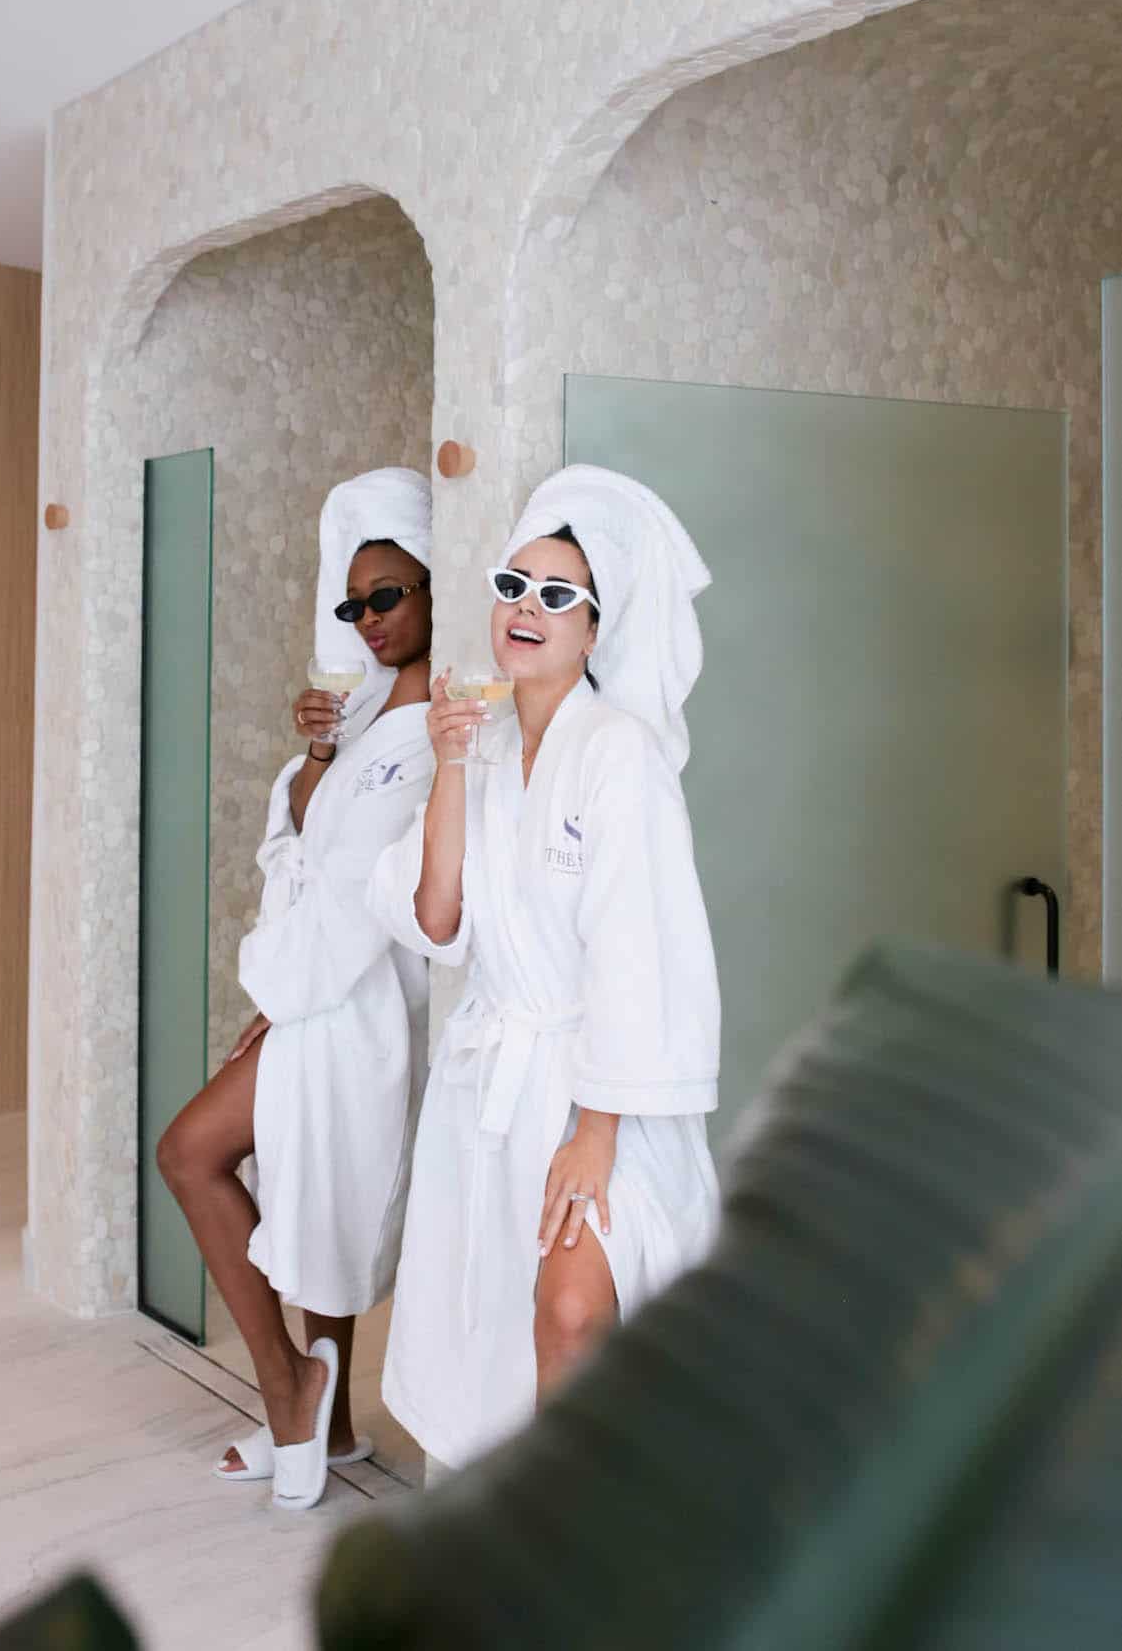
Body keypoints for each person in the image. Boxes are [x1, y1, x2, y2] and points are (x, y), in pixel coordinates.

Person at [368, 463, 721, 1469]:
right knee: (492, 1341)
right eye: (512, 585)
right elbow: (435, 917)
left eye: (557, 595)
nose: (527, 608)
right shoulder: (473, 741)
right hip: (490, 1090)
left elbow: (639, 953)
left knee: (569, 1311)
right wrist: (443, 762)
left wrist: (596, 1130)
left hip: (601, 1090)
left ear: (594, 630)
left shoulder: (619, 756)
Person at [157, 468, 435, 1509]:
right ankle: (337, 1420)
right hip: (316, 996)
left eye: (388, 596)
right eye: (353, 604)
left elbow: (359, 894)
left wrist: (283, 985)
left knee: (193, 1154)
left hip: (361, 1004)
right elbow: (297, 847)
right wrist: (317, 748)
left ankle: (289, 1387)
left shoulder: (433, 732)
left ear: (433, 591)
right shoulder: (363, 717)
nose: (366, 620)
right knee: (321, 1194)